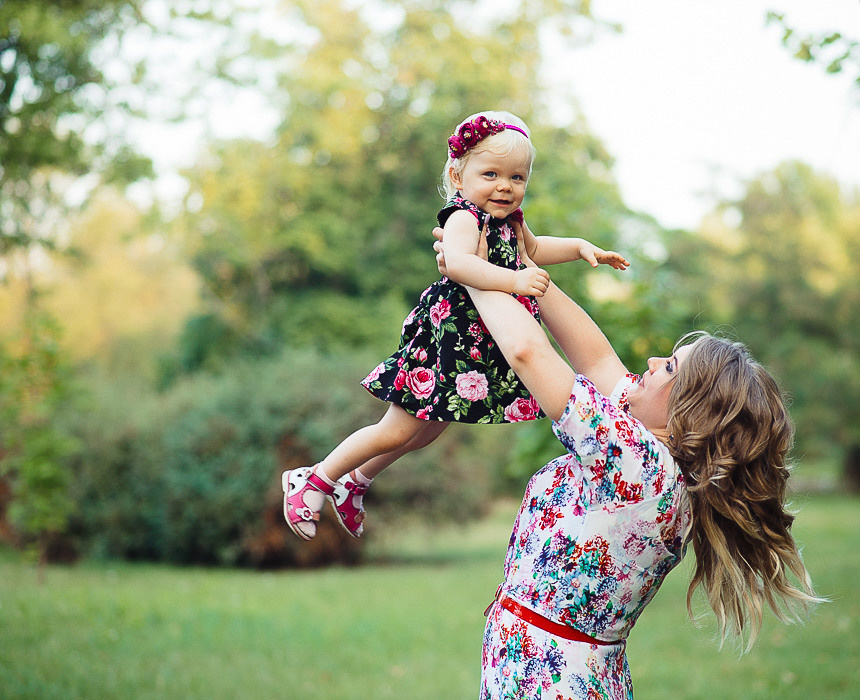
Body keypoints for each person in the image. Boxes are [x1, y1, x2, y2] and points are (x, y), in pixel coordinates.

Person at [431, 236, 823, 698]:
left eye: (671, 367)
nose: (654, 360)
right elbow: (597, 359)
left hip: (547, 685)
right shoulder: (659, 463)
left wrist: (470, 270)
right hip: (563, 676)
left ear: (689, 415)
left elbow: (528, 353)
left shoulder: (637, 464)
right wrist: (514, 259)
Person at [281, 110, 628, 540]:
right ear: (459, 176)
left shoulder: (510, 222)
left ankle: (356, 481)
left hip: (472, 351)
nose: (505, 186)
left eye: (517, 178)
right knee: (399, 428)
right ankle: (314, 479)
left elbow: (535, 248)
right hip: (448, 341)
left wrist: (580, 248)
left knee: (425, 432)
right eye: (491, 174)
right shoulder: (463, 217)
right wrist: (515, 279)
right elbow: (461, 264)